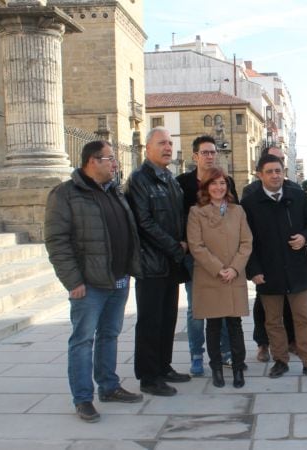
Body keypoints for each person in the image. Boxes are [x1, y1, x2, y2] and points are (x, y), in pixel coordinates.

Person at [44, 140, 143, 423]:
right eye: (110, 159)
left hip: (119, 279)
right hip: (88, 284)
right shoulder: (65, 194)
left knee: (110, 335)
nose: (115, 164)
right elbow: (56, 242)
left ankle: (109, 386)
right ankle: (83, 398)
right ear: (92, 161)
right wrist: (73, 281)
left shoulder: (114, 191)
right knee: (82, 340)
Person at [242, 153, 307, 379]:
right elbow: (244, 240)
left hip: (296, 269)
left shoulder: (298, 196)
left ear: (284, 172)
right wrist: (253, 271)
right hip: (267, 272)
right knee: (273, 321)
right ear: (259, 175)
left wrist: (305, 237)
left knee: (303, 318)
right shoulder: (249, 203)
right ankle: (280, 360)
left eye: (278, 171)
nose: (275, 175)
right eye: (269, 171)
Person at [124, 127, 192, 396]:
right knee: (150, 322)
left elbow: (179, 217)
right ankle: (148, 377)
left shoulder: (170, 179)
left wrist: (182, 244)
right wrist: (175, 246)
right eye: (162, 143)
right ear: (148, 148)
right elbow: (144, 223)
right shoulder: (139, 179)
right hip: (152, 263)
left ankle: (164, 367)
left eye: (170, 143)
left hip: (171, 263)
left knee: (168, 319)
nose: (168, 147)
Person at [176, 135, 238, 376]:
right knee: (196, 309)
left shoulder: (226, 181)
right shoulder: (182, 183)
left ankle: (224, 352)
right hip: (196, 255)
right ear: (195, 156)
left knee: (222, 305)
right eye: (205, 152)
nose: (210, 156)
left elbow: (235, 214)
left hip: (223, 255)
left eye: (213, 152)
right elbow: (178, 216)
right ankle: (196, 355)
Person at [187, 167, 252, 388]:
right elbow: (196, 246)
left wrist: (234, 268)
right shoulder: (197, 212)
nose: (218, 187)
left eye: (222, 183)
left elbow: (246, 243)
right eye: (213, 183)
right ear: (206, 187)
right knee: (213, 326)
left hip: (234, 276)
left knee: (235, 325)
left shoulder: (237, 211)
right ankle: (216, 368)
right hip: (210, 277)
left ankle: (238, 369)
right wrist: (218, 268)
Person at [241, 145, 297, 363]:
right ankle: (263, 344)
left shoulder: (293, 189)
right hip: (264, 259)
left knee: (291, 304)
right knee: (262, 306)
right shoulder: (251, 192)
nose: (277, 167)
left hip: (289, 259)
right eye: (273, 160)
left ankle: (291, 342)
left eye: (281, 161)